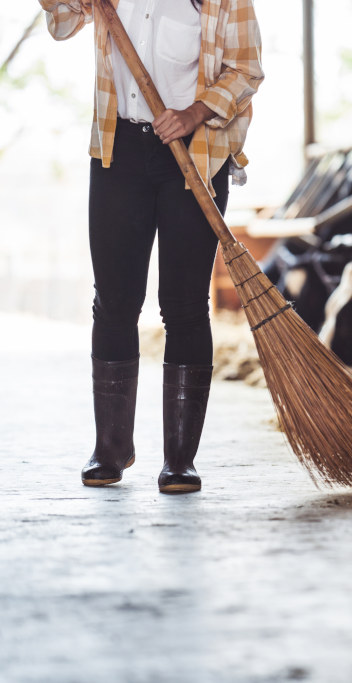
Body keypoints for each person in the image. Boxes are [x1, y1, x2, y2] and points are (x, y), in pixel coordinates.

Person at [40, 0, 264, 493]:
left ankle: (179, 460)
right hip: (118, 150)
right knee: (115, 302)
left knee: (184, 306)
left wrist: (194, 113)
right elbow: (60, 23)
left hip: (194, 152)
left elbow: (246, 69)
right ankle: (111, 447)